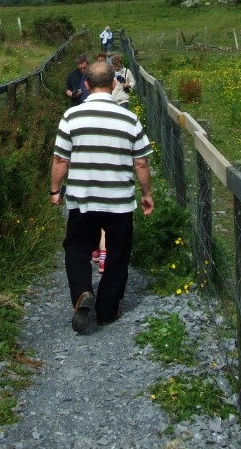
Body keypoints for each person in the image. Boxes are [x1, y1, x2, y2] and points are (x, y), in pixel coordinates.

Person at [49, 61, 154, 333]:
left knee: (77, 248)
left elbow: (61, 158)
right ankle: (107, 310)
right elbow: (141, 163)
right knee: (118, 253)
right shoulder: (129, 119)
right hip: (118, 200)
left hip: (83, 198)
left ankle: (82, 292)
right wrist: (146, 194)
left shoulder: (71, 117)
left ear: (85, 84)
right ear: (114, 84)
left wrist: (55, 190)